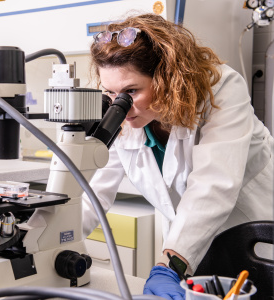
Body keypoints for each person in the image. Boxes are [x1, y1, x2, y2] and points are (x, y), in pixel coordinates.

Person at [82, 13, 274, 300]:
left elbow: (214, 185)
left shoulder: (221, 89)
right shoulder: (124, 116)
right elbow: (92, 191)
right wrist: (46, 238)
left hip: (252, 237)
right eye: (110, 92)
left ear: (166, 79)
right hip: (187, 247)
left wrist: (167, 266)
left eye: (131, 90)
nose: (119, 104)